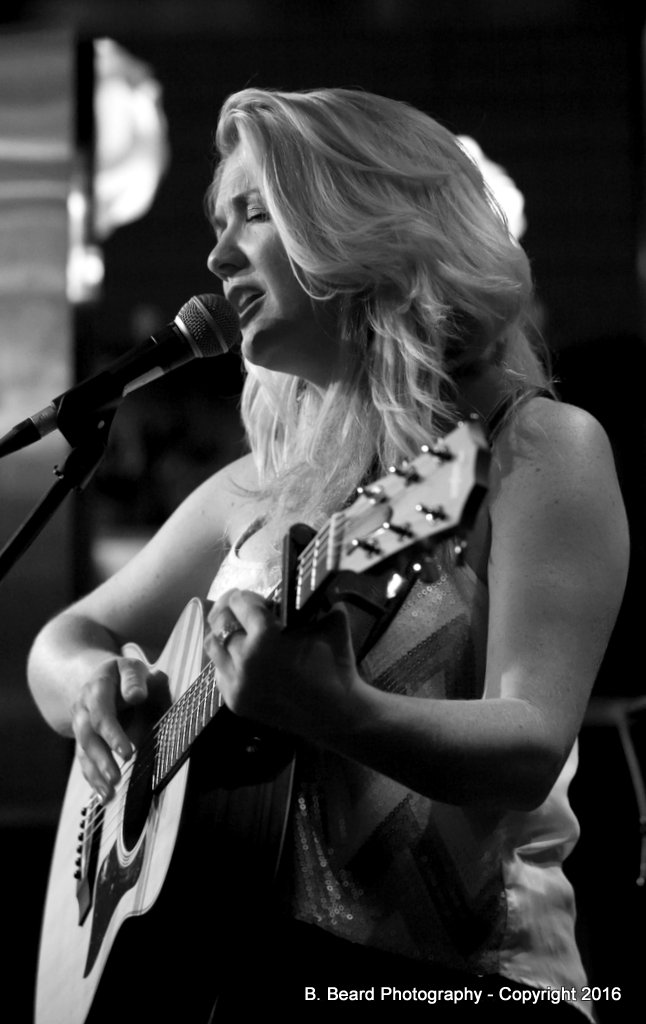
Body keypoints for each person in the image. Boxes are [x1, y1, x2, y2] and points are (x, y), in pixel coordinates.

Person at [27, 87, 629, 1021]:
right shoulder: (255, 490)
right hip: (252, 985)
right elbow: (65, 637)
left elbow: (528, 742)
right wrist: (91, 690)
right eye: (217, 225)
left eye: (255, 214)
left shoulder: (532, 449)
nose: (217, 257)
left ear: (366, 225)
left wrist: (337, 709)